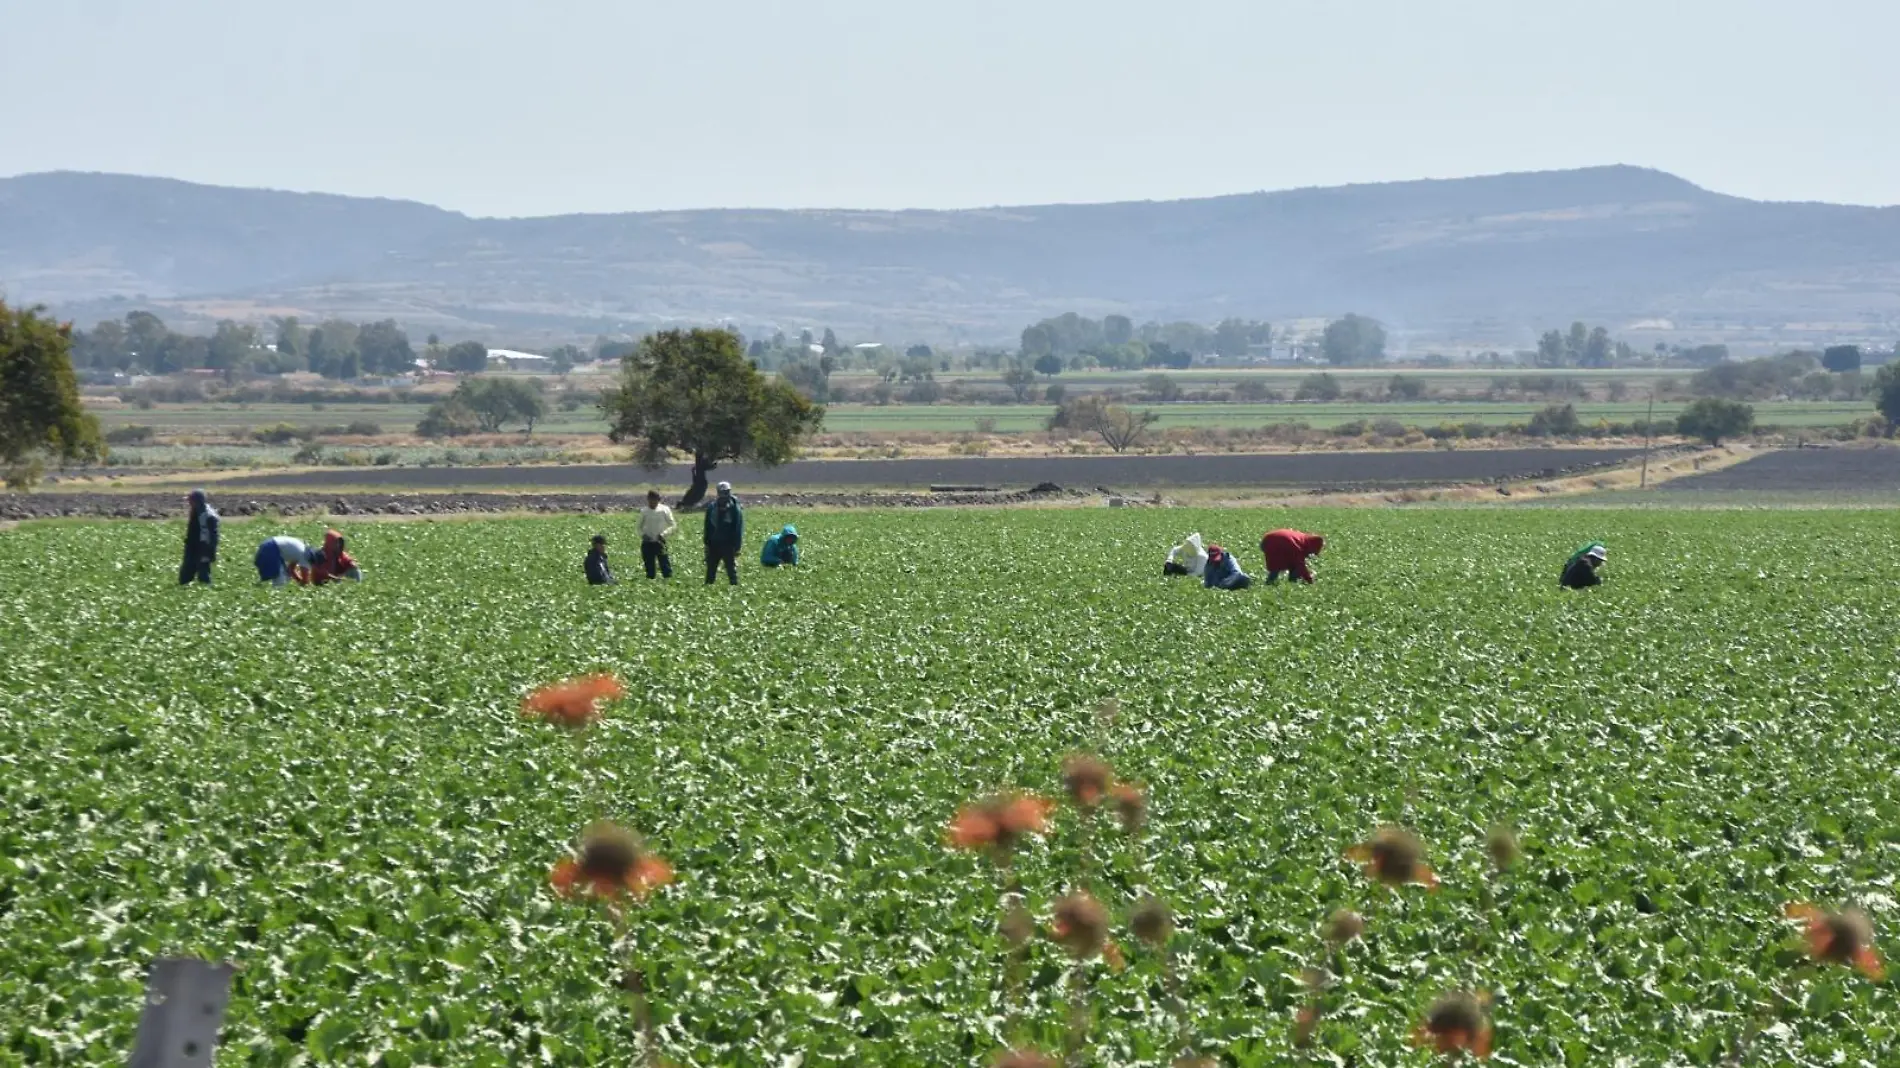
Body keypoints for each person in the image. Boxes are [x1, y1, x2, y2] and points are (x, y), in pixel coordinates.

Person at [703, 481, 744, 585]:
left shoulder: (734, 508)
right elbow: (707, 526)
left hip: (728, 544)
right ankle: (708, 587)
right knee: (711, 568)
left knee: (731, 568)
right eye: (722, 492)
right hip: (714, 543)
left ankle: (734, 586)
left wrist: (737, 546)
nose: (724, 495)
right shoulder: (712, 507)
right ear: (718, 493)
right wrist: (706, 542)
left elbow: (738, 527)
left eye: (726, 492)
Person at [179, 489, 220, 585]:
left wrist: (207, 552)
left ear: (197, 501)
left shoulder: (208, 516)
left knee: (203, 574)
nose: (189, 503)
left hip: (203, 548)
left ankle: (206, 592)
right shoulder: (196, 511)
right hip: (192, 547)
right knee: (185, 574)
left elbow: (212, 536)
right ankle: (185, 589)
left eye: (190, 500)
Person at [1260, 528, 1325, 584]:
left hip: (1266, 539)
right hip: (1277, 542)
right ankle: (1290, 581)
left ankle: (1271, 582)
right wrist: (1309, 580)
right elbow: (1300, 565)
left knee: (1279, 564)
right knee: (1282, 565)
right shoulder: (1298, 547)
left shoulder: (1303, 538)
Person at [638, 489, 677, 580]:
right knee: (649, 567)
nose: (652, 503)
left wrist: (663, 534)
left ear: (658, 500)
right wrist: (643, 535)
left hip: (660, 542)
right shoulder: (644, 511)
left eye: (654, 500)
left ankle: (668, 583)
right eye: (650, 500)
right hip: (647, 543)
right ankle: (650, 583)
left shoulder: (664, 510)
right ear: (648, 500)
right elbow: (638, 527)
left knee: (665, 565)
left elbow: (673, 525)